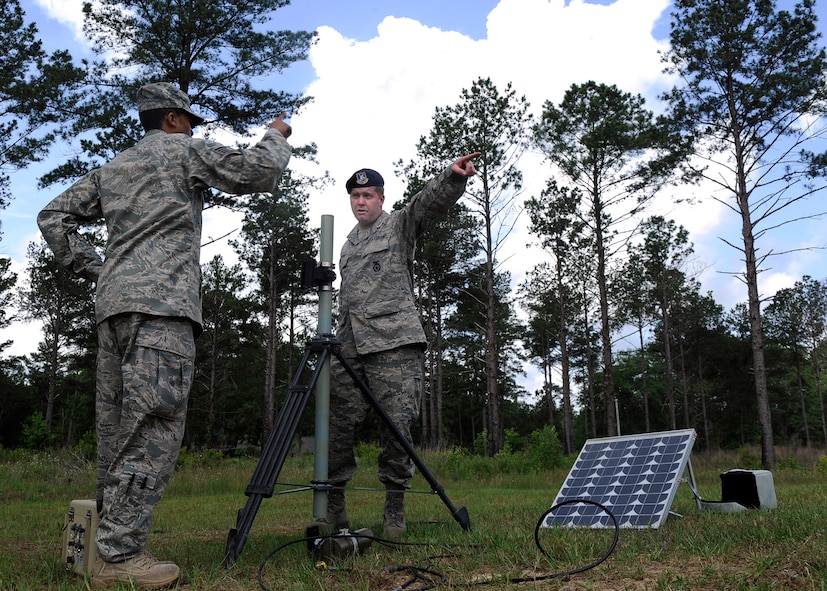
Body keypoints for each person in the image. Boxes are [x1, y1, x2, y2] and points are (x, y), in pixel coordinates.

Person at [37, 82, 293, 589]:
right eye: (190, 120)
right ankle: (119, 556)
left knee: (117, 434)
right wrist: (276, 133)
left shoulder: (114, 168)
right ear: (174, 119)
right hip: (161, 311)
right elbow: (258, 172)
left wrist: (98, 266)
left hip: (113, 311)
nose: (194, 128)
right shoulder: (183, 150)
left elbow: (52, 216)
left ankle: (103, 546)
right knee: (152, 430)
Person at [316, 152, 480, 538]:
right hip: (350, 346)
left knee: (397, 428)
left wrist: (452, 178)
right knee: (337, 427)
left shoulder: (398, 227)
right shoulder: (347, 246)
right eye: (355, 196)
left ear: (381, 199)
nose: (361, 202)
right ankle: (335, 509)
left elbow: (426, 205)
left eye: (368, 195)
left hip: (394, 344)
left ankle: (394, 510)